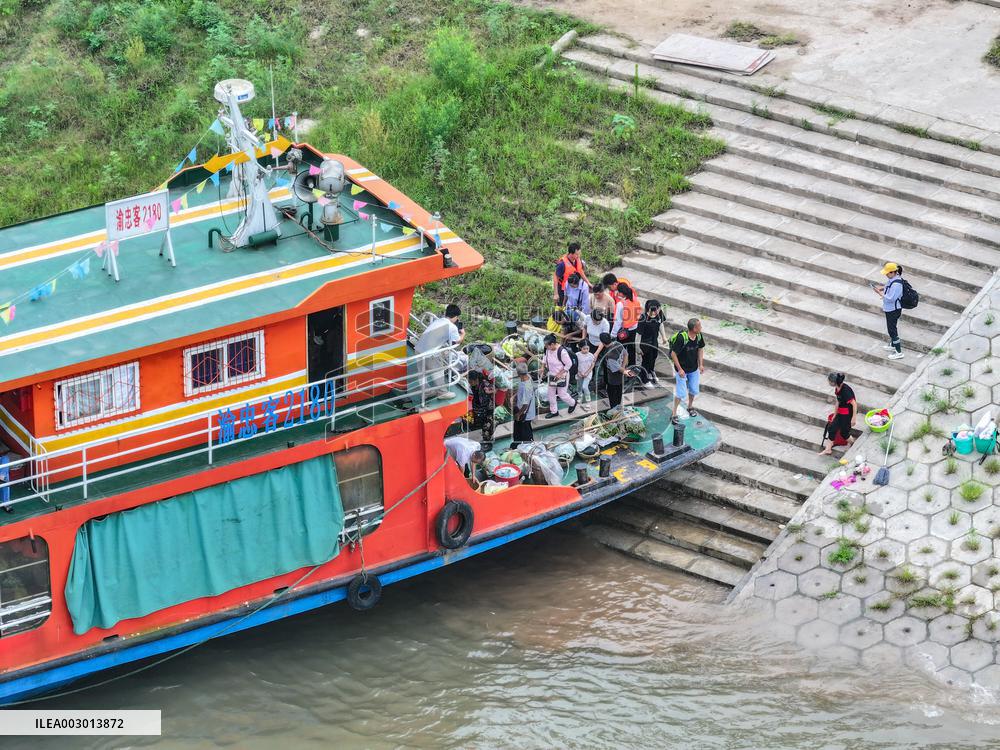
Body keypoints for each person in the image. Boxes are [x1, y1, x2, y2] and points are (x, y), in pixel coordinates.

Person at [415, 304, 465, 397]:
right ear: (455, 316)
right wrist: (463, 333)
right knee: (438, 371)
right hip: (429, 353)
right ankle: (442, 393)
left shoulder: (438, 320)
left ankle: (426, 393)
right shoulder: (452, 326)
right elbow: (457, 341)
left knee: (422, 373)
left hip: (418, 348)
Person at [669, 318, 705, 423]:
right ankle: (674, 413)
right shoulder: (682, 338)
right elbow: (673, 354)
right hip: (682, 370)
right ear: (694, 328)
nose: (701, 328)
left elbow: (700, 349)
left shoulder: (699, 336)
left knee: (693, 390)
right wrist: (679, 369)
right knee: (680, 393)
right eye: (699, 326)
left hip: (693, 368)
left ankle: (690, 407)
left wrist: (701, 364)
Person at [541, 334, 578, 419]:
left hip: (562, 375)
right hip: (552, 375)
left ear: (553, 344)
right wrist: (542, 367)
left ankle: (573, 403)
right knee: (551, 394)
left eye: (547, 346)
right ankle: (554, 411)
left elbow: (569, 364)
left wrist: (560, 374)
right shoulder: (547, 349)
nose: (546, 347)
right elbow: (544, 357)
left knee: (562, 394)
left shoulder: (562, 352)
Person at [819, 372, 857, 455]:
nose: (828, 382)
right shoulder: (837, 388)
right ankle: (828, 449)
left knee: (844, 433)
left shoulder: (845, 390)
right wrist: (835, 414)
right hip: (841, 412)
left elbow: (854, 403)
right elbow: (838, 401)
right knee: (831, 428)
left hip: (847, 414)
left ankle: (853, 443)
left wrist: (853, 418)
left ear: (833, 382)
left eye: (829, 381)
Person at [874, 262, 905, 360]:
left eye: (887, 273)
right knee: (892, 327)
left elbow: (891, 298)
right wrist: (882, 289)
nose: (886, 275)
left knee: (892, 330)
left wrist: (879, 293)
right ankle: (892, 344)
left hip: (893, 309)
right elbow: (889, 287)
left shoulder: (896, 284)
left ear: (893, 272)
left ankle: (898, 352)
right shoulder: (893, 279)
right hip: (890, 309)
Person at [610, 283, 641, 367]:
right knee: (631, 349)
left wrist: (613, 334)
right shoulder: (636, 301)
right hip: (633, 329)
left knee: (620, 350)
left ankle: (620, 368)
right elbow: (638, 315)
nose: (617, 294)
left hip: (623, 332)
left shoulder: (621, 304)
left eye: (618, 292)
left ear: (621, 293)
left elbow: (617, 322)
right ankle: (632, 368)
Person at [636, 300, 666, 388]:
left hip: (654, 341)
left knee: (653, 357)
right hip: (645, 343)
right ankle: (644, 380)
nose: (659, 310)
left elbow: (660, 324)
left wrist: (664, 337)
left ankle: (650, 372)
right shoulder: (643, 318)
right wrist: (637, 347)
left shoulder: (659, 314)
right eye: (658, 309)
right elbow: (638, 334)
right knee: (646, 361)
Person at [600, 332, 632, 411]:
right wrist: (624, 366)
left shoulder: (610, 355)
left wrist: (623, 370)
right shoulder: (618, 344)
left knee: (613, 397)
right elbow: (626, 355)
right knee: (619, 393)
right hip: (620, 378)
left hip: (613, 379)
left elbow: (618, 368)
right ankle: (618, 407)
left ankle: (614, 412)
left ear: (603, 343)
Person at [553, 242, 590, 306]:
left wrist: (588, 282)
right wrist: (556, 294)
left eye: (579, 254)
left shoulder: (577, 260)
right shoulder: (562, 264)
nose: (579, 256)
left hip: (574, 287)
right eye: (577, 254)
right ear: (571, 254)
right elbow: (556, 277)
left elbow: (580, 271)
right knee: (561, 306)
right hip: (563, 289)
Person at [466, 370, 495, 449]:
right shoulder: (473, 385)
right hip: (479, 409)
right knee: (482, 426)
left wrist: (489, 392)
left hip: (487, 409)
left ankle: (488, 444)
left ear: (476, 380)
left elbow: (494, 390)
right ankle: (485, 440)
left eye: (471, 382)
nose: (470, 383)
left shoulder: (485, 384)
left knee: (487, 427)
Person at [511, 362, 536, 448]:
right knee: (519, 428)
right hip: (521, 408)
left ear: (518, 374)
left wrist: (519, 414)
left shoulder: (527, 386)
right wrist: (514, 396)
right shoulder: (526, 377)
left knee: (525, 431)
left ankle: (528, 447)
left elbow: (525, 404)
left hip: (525, 412)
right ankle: (516, 444)